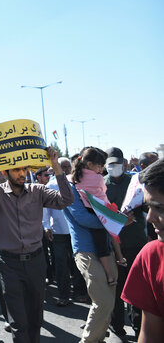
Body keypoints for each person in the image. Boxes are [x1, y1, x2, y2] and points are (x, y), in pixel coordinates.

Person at [0, 147, 74, 343]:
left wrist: (55, 166)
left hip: (36, 261)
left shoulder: (38, 191)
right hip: (9, 265)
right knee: (19, 323)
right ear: (5, 172)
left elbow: (66, 200)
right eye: (16, 170)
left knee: (36, 320)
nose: (22, 173)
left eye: (24, 169)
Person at [105, 147, 148, 336]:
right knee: (117, 287)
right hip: (115, 245)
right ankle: (117, 325)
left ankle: (138, 325)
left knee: (137, 287)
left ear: (124, 163)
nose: (115, 167)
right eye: (111, 164)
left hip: (136, 241)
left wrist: (133, 215)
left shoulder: (135, 181)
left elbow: (146, 203)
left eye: (118, 163)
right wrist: (119, 221)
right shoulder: (101, 185)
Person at [69, 147, 126, 286]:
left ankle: (111, 270)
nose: (101, 169)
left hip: (92, 209)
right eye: (100, 166)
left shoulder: (74, 177)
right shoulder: (98, 178)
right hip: (100, 211)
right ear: (90, 164)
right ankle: (114, 267)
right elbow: (103, 190)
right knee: (108, 241)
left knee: (105, 242)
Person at [122, 158, 164, 343]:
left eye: (160, 208)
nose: (150, 217)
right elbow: (150, 334)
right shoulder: (152, 257)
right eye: (148, 207)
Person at [43, 157, 87, 306]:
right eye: (62, 166)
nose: (66, 169)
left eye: (68, 166)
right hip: (58, 231)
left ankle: (80, 292)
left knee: (79, 263)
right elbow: (45, 209)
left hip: (77, 230)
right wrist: (46, 226)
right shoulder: (50, 185)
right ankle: (64, 295)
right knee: (61, 265)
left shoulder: (79, 182)